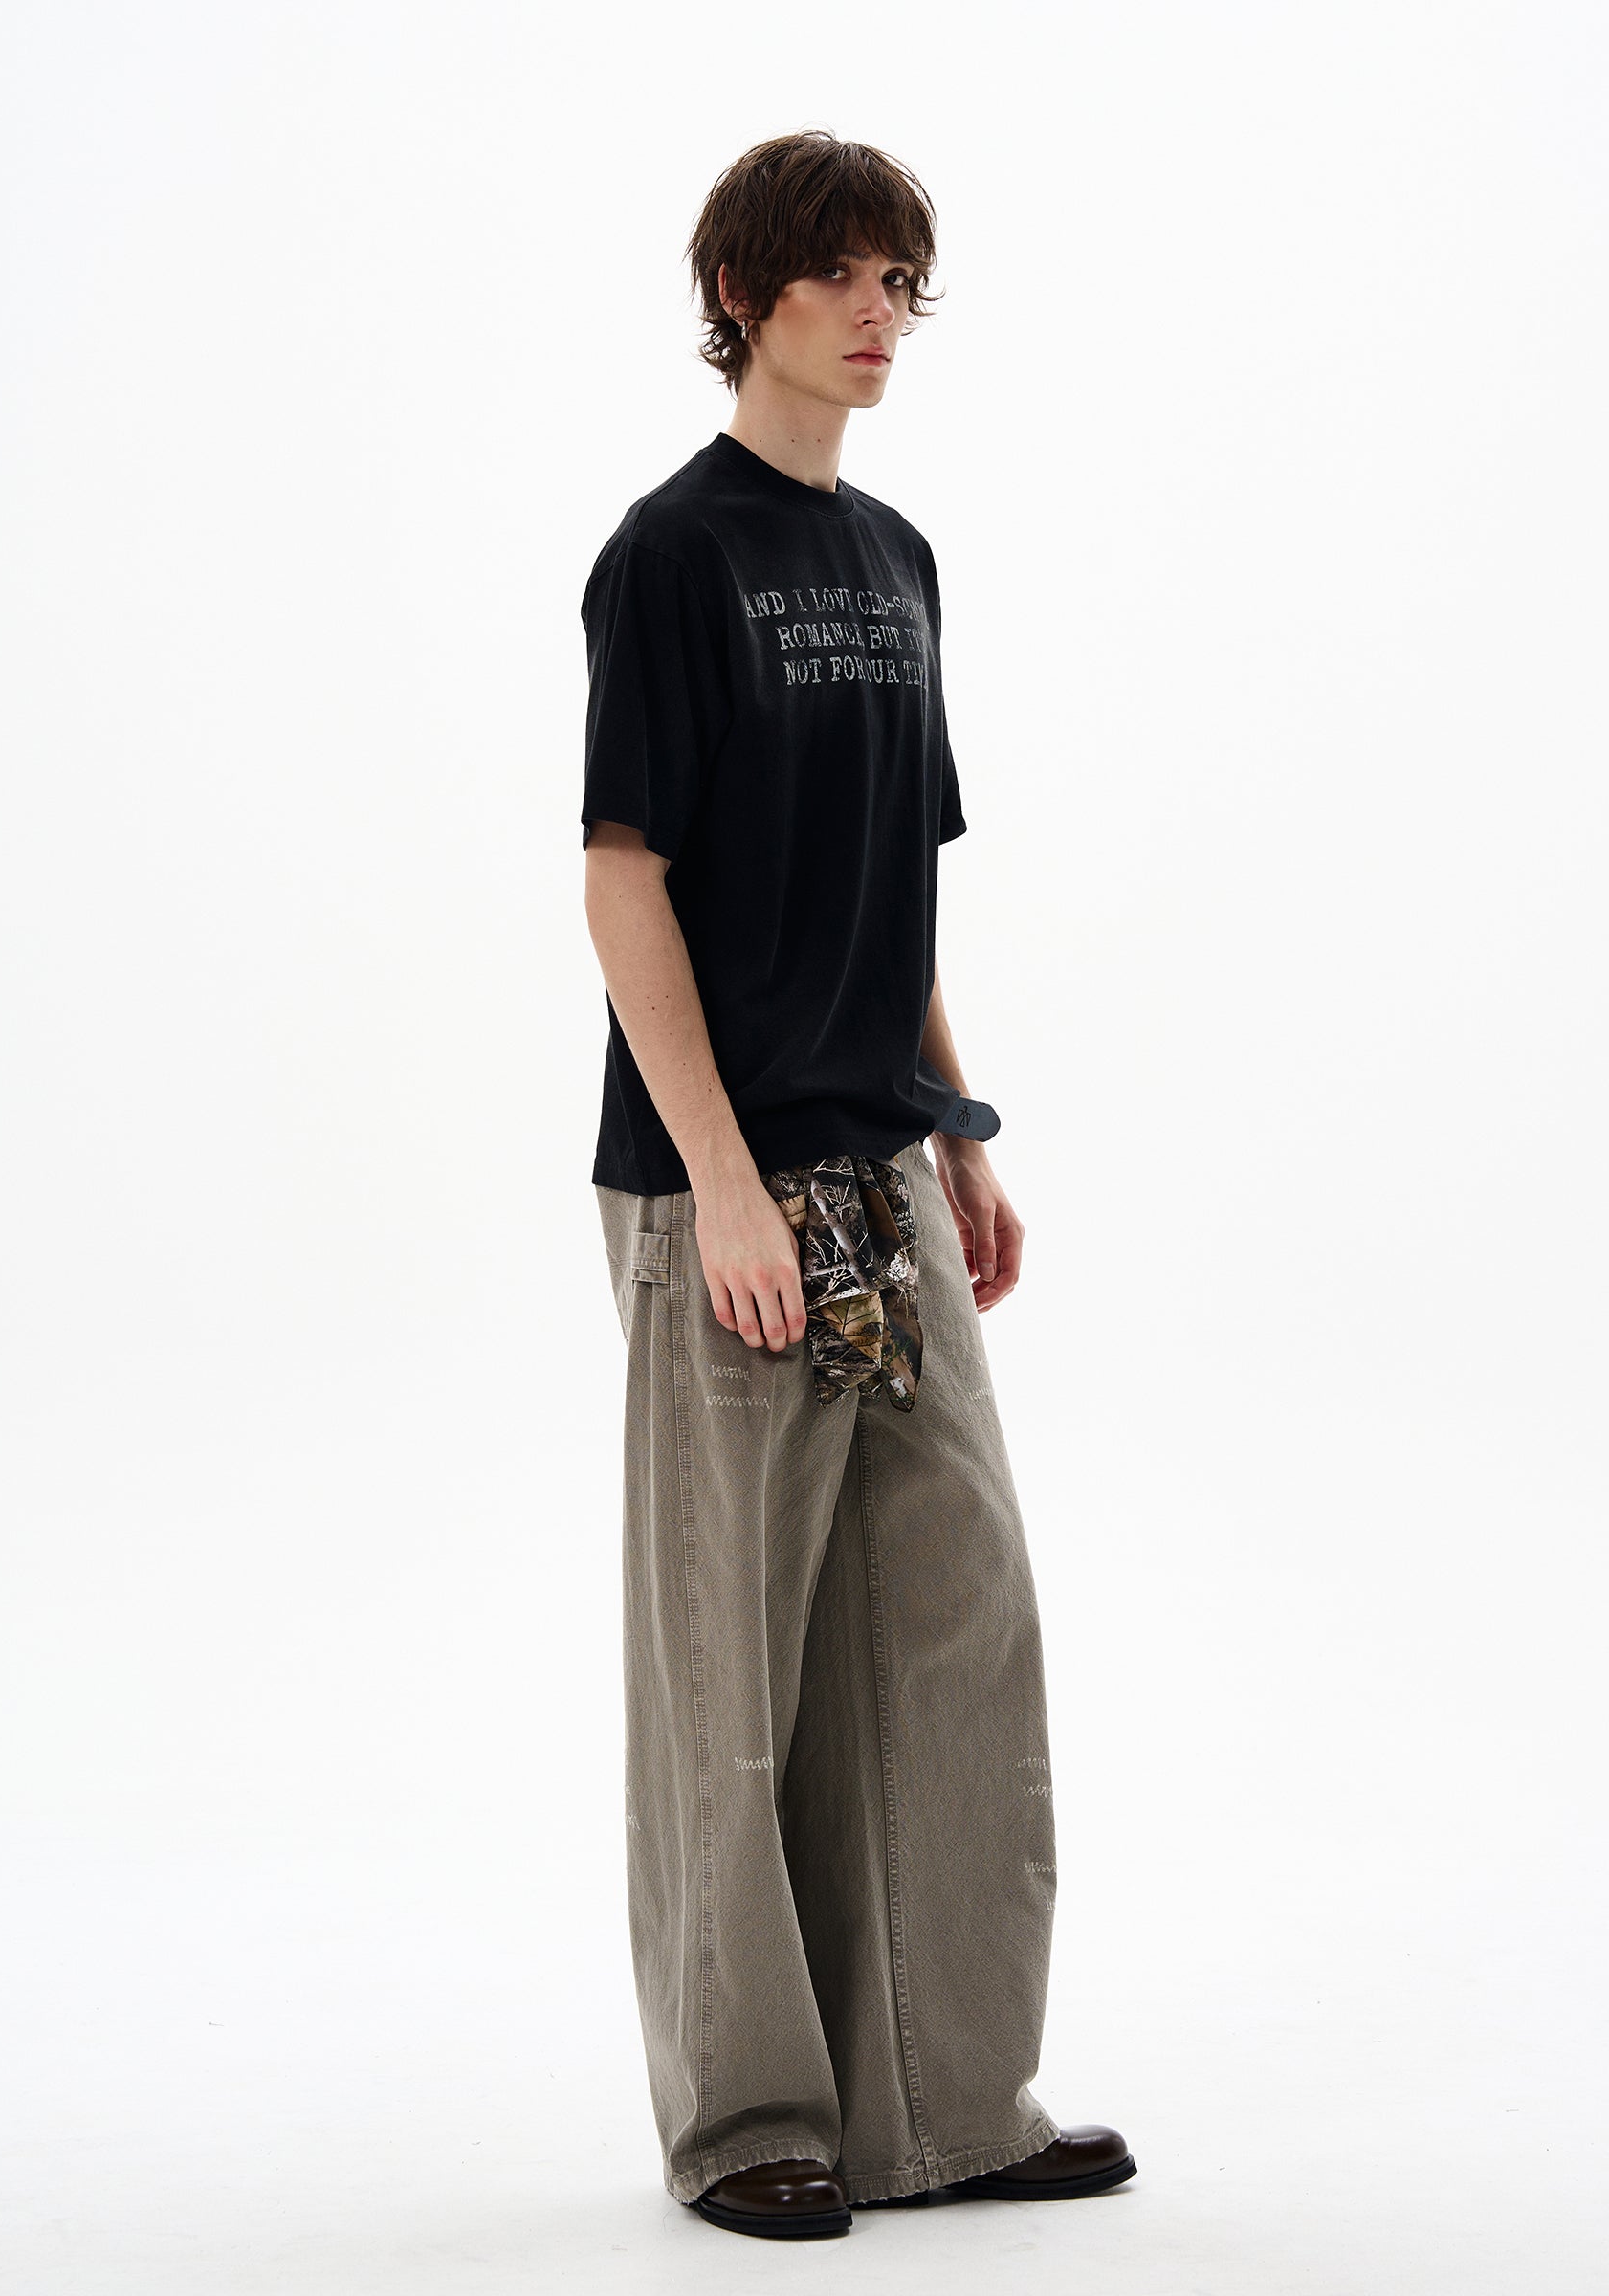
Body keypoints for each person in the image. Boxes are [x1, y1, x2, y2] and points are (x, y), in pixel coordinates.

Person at [579, 128, 1135, 2241]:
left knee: (951, 1622)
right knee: (734, 1655)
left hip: (880, 1162)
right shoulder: (668, 556)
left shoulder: (898, 559)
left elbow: (894, 884)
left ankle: (951, 2106)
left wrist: (954, 1128)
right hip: (718, 1183)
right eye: (841, 275)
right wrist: (720, 1184)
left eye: (903, 279)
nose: (880, 312)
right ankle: (750, 2125)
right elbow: (624, 883)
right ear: (745, 295)